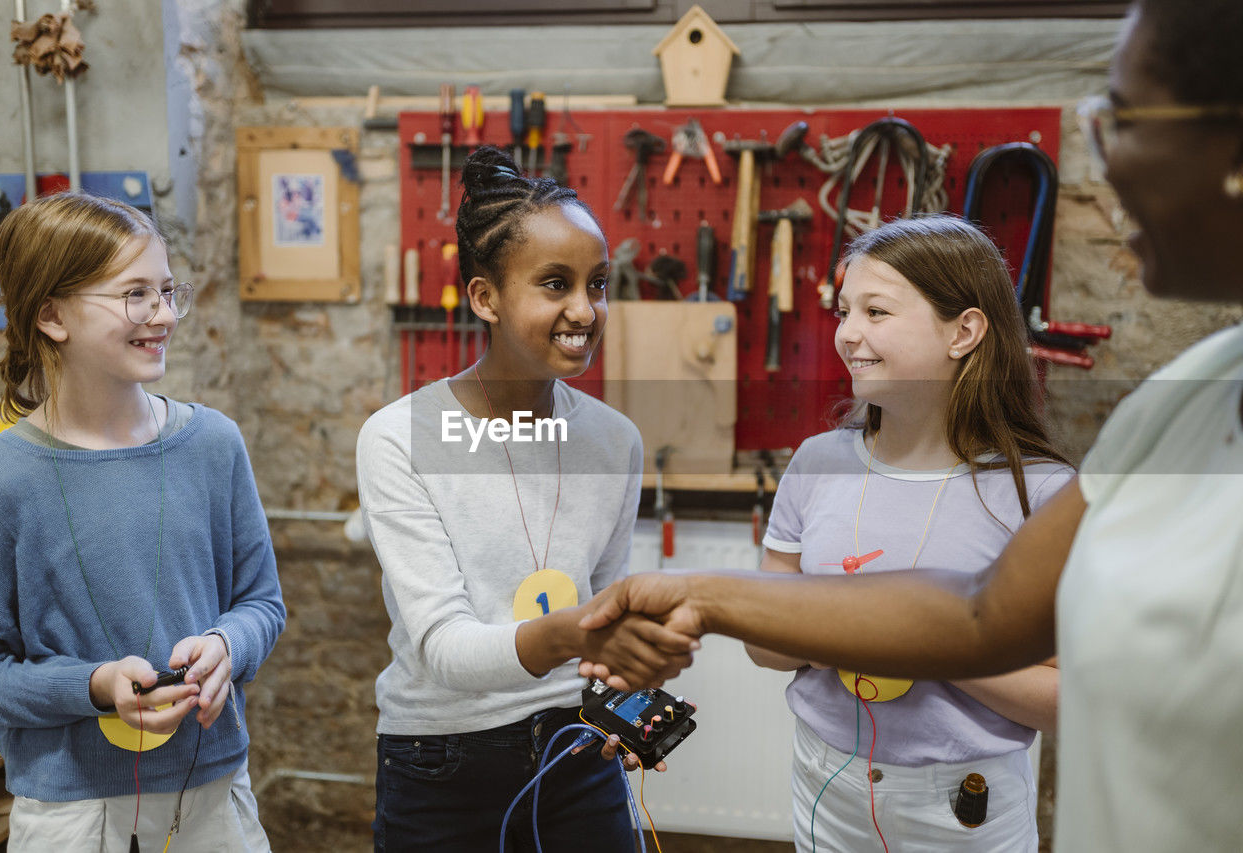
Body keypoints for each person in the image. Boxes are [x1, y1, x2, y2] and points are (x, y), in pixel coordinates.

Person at [578, 1, 1243, 849]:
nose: (1106, 168)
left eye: (1124, 118)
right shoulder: (1178, 402)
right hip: (832, 793)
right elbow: (978, 615)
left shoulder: (1041, 482)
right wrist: (706, 597)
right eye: (843, 309)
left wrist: (731, 603)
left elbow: (1019, 658)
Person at [356, 145, 694, 852]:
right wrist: (582, 633)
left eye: (598, 284)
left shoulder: (615, 440)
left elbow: (604, 608)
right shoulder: (399, 437)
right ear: (484, 297)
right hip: (440, 765)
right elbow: (445, 649)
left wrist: (625, 692)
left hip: (576, 751)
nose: (584, 309)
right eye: (554, 284)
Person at [0, 192, 285, 852]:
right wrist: (93, 686)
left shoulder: (215, 444)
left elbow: (262, 602)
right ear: (52, 314)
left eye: (168, 290)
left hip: (214, 792)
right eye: (135, 294)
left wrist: (228, 645)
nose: (164, 315)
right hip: (72, 815)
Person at [744, 215, 1071, 851]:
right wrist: (855, 626)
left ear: (965, 331)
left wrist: (925, 642)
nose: (847, 334)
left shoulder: (1043, 494)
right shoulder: (816, 462)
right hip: (823, 781)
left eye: (877, 311)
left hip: (963, 804)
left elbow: (1069, 699)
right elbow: (764, 645)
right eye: (844, 311)